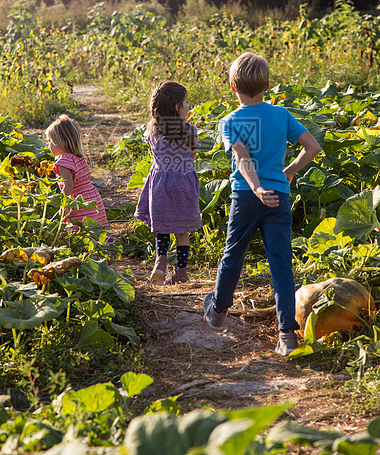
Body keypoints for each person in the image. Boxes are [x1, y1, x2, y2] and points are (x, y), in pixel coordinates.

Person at [203, 52, 321, 355]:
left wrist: (255, 188)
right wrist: (290, 171)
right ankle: (286, 335)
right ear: (267, 84)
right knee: (281, 264)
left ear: (232, 86)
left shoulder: (229, 121)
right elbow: (312, 147)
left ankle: (217, 313)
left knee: (233, 255)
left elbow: (242, 158)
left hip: (246, 196)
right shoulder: (281, 115)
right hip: (278, 197)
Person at [134, 81, 202, 284]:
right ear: (176, 107)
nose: (189, 106)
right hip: (183, 184)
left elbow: (154, 150)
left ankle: (160, 263)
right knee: (182, 232)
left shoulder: (152, 130)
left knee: (162, 228)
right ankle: (181, 273)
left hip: (160, 183)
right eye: (186, 103)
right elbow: (192, 157)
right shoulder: (190, 132)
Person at [45, 114, 110, 231]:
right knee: (93, 231)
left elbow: (69, 186)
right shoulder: (78, 157)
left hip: (78, 202)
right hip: (91, 196)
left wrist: (64, 206)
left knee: (77, 232)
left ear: (60, 142)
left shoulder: (63, 162)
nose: (48, 145)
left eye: (50, 141)